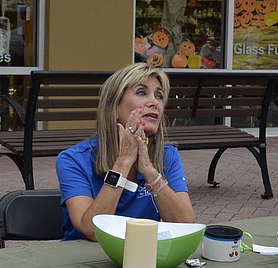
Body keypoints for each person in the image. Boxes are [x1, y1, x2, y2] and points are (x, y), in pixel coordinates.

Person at [56, 62, 195, 241]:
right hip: (85, 260)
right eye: (141, 92)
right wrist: (123, 163)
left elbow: (185, 224)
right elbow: (92, 231)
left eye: (159, 96)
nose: (154, 103)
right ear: (114, 107)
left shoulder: (167, 155)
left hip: (142, 257)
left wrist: (150, 173)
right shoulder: (72, 160)